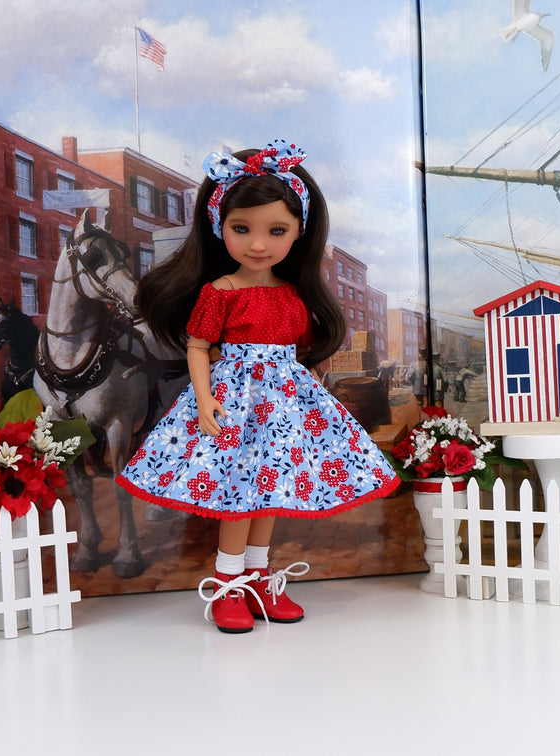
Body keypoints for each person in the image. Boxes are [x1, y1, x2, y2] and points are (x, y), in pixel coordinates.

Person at [117, 139, 399, 634]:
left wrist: (311, 400)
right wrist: (205, 400)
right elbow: (199, 348)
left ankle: (257, 576)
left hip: (285, 405)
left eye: (276, 231)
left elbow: (298, 355)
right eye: (241, 229)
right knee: (239, 494)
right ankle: (229, 583)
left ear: (297, 234)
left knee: (272, 491)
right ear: (219, 228)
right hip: (236, 404)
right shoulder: (219, 292)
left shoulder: (292, 295)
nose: (257, 244)